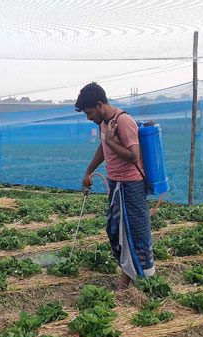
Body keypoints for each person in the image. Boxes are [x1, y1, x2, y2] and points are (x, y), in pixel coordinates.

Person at [75, 82, 155, 290]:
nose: (89, 118)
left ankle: (140, 282)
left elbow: (133, 156)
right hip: (116, 183)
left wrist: (110, 141)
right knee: (118, 232)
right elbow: (103, 148)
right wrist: (88, 171)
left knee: (135, 233)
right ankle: (128, 278)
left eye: (90, 112)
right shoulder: (104, 124)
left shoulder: (124, 122)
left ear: (100, 105)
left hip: (131, 185)